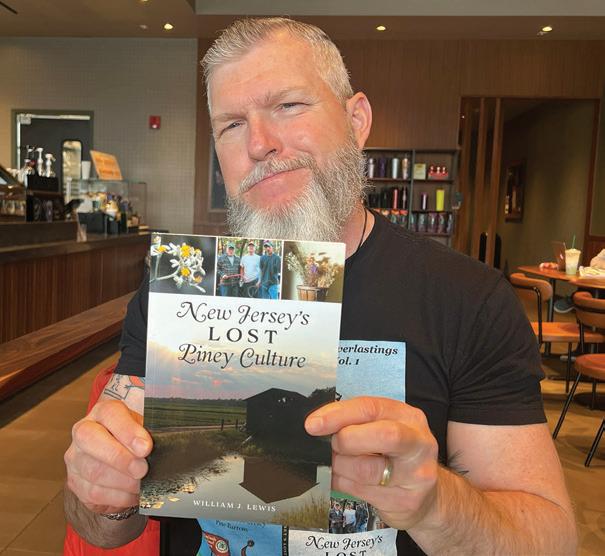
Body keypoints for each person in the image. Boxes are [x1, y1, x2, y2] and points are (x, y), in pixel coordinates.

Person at [64, 17, 577, 555]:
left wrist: (436, 505)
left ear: (357, 121)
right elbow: (102, 528)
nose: (259, 144)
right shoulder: (178, 291)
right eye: (231, 125)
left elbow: (551, 542)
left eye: (288, 105)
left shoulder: (467, 300)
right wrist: (101, 493)